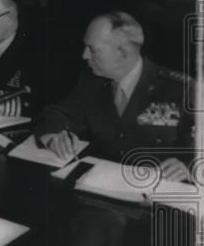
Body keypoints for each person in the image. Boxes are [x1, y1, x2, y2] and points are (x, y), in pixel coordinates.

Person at [35, 12, 192, 182]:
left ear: (122, 54)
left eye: (92, 50)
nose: (84, 55)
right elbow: (57, 113)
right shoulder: (92, 82)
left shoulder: (179, 89)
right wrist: (54, 138)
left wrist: (188, 166)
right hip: (101, 188)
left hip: (156, 193)